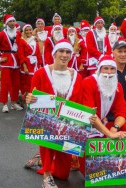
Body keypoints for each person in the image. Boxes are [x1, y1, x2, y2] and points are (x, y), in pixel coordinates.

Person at [26, 39, 83, 188]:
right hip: (47, 124)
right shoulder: (40, 73)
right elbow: (33, 101)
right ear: (54, 53)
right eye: (61, 51)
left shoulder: (77, 76)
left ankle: (39, 161)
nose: (64, 55)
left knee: (63, 175)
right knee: (46, 143)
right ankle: (46, 174)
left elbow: (80, 102)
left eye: (68, 52)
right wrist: (30, 99)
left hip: (67, 126)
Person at [79, 55, 126, 176]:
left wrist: (116, 128)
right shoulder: (88, 82)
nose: (109, 72)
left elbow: (122, 113)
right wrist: (110, 134)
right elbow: (90, 115)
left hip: (103, 125)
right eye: (105, 68)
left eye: (112, 69)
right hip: (86, 126)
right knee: (88, 172)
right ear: (99, 70)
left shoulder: (117, 86)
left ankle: (117, 161)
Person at [0, 14, 23, 112]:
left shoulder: (18, 34)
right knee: (6, 83)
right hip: (7, 61)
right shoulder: (1, 34)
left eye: (13, 21)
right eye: (10, 21)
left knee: (16, 84)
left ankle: (13, 103)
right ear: (6, 23)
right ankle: (4, 104)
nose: (12, 23)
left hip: (16, 61)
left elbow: (20, 47)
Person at [18, 24, 43, 102]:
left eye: (30, 30)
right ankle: (25, 98)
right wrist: (24, 66)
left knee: (34, 82)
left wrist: (40, 65)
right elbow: (21, 54)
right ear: (24, 31)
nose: (28, 31)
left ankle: (30, 98)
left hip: (35, 65)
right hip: (27, 65)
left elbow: (38, 53)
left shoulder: (34, 40)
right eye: (27, 30)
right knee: (27, 84)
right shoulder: (22, 41)